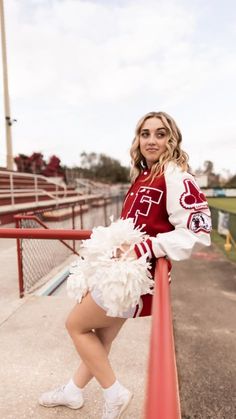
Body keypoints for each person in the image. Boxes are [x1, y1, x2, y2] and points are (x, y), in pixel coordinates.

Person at [38, 111, 211, 418]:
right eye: (146, 134)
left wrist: (147, 245)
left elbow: (197, 233)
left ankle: (114, 393)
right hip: (120, 268)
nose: (152, 140)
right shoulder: (143, 174)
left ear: (172, 139)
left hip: (134, 275)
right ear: (138, 139)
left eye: (160, 134)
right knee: (102, 337)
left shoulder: (176, 176)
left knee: (76, 325)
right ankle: (73, 391)